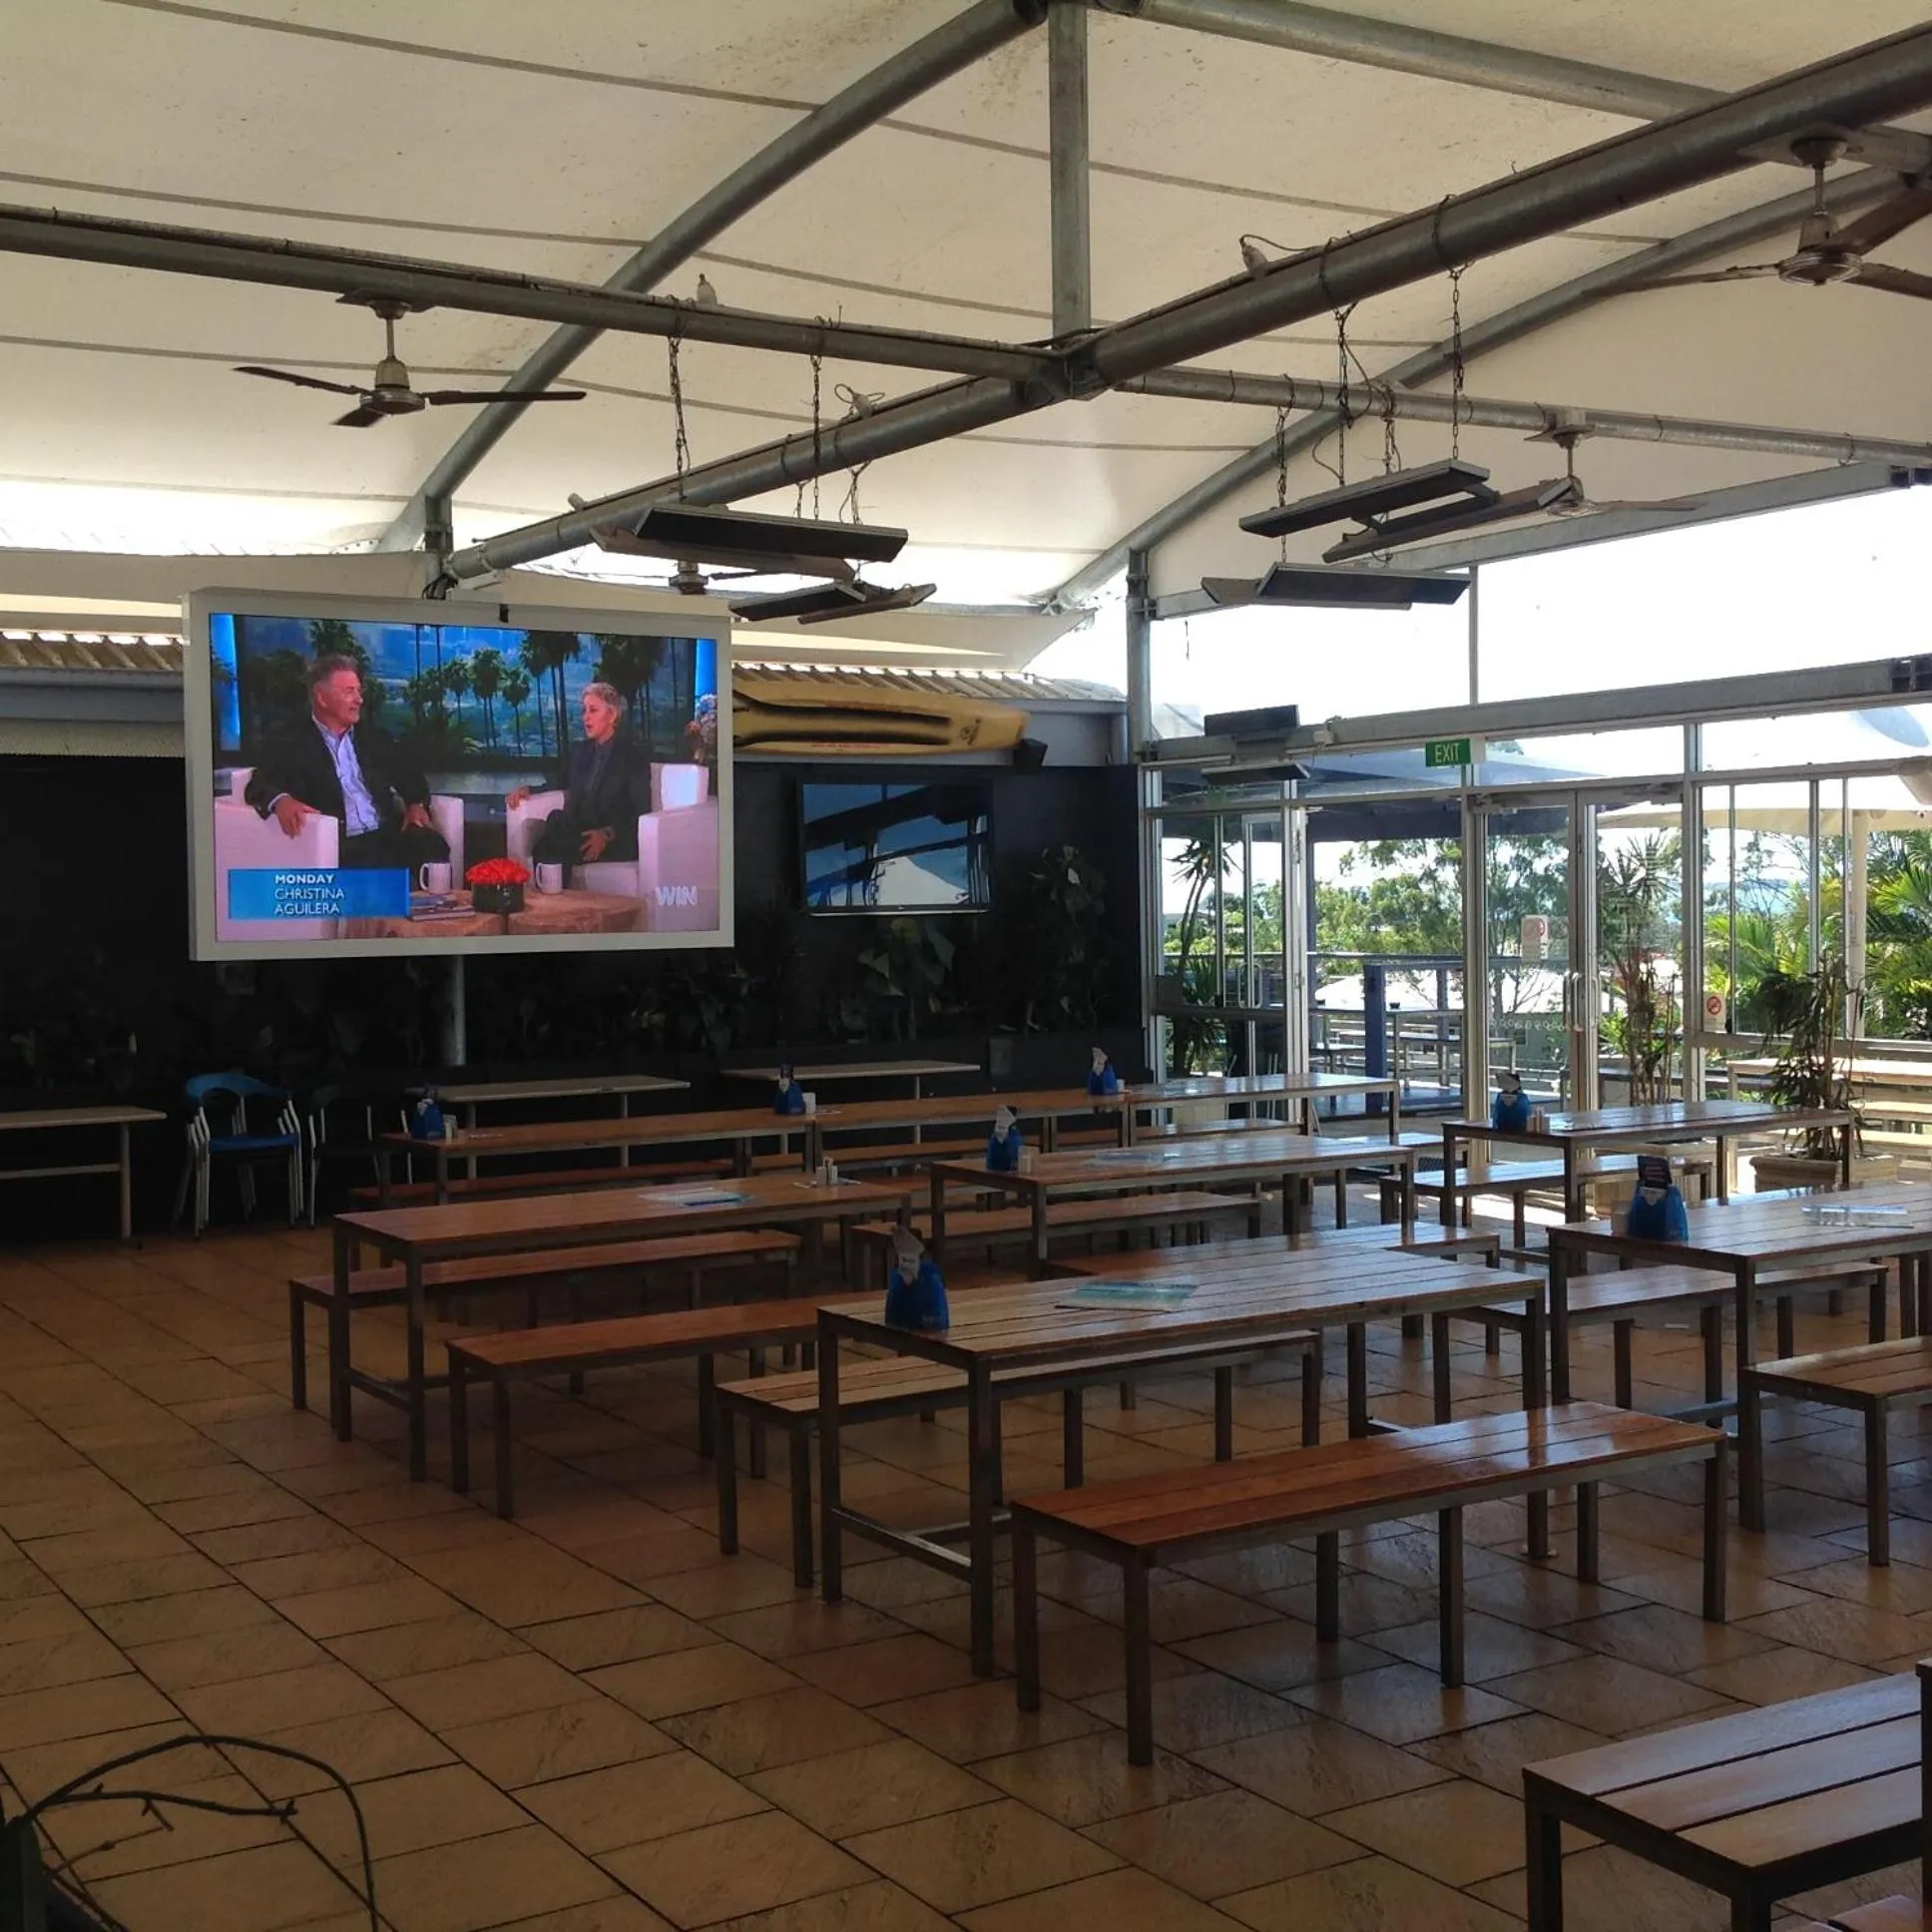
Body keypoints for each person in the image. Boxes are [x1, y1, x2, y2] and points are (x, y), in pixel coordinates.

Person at [243, 655, 448, 872]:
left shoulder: (373, 737)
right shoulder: (291, 740)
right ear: (322, 698)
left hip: (385, 835)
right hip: (341, 843)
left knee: (430, 844)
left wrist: (415, 803)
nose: (359, 699)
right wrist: (282, 801)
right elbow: (259, 783)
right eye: (349, 691)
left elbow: (409, 775)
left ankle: (436, 906)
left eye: (359, 691)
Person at [508, 683, 652, 865]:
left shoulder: (633, 756)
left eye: (593, 710)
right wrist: (528, 790)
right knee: (553, 827)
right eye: (584, 711)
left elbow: (640, 811)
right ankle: (550, 891)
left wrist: (606, 835)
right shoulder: (580, 751)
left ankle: (551, 890)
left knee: (551, 846)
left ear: (612, 715)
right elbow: (557, 782)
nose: (586, 718)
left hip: (611, 837)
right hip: (580, 830)